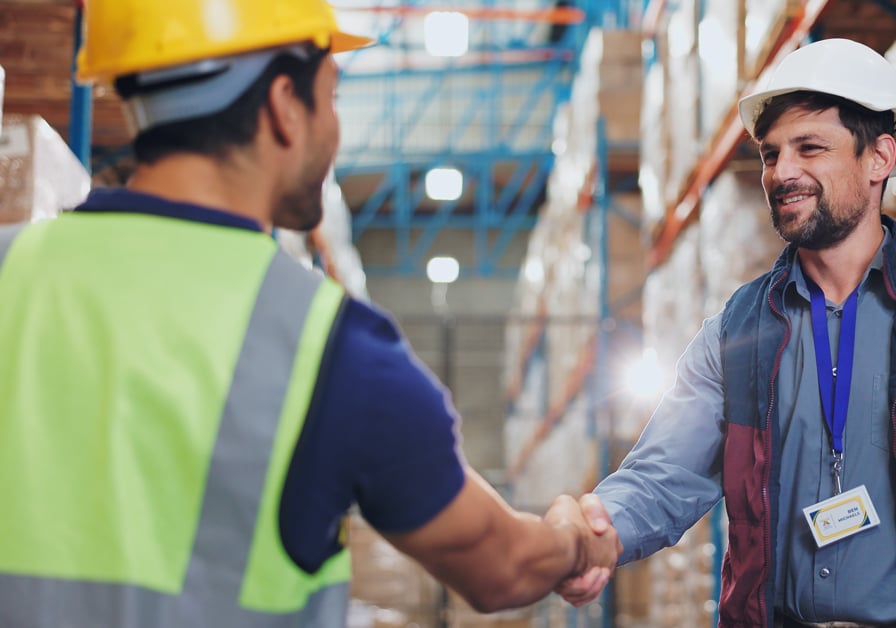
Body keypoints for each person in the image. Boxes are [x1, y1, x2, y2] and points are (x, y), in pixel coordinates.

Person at [0, 1, 618, 626]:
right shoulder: (331, 349)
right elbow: (501, 565)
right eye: (332, 95)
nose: (334, 126)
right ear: (283, 106)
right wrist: (571, 535)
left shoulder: (9, 269)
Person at [558, 38, 896, 627]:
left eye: (810, 148)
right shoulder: (736, 335)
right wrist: (596, 527)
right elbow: (662, 476)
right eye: (772, 154)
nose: (783, 172)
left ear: (878, 158)